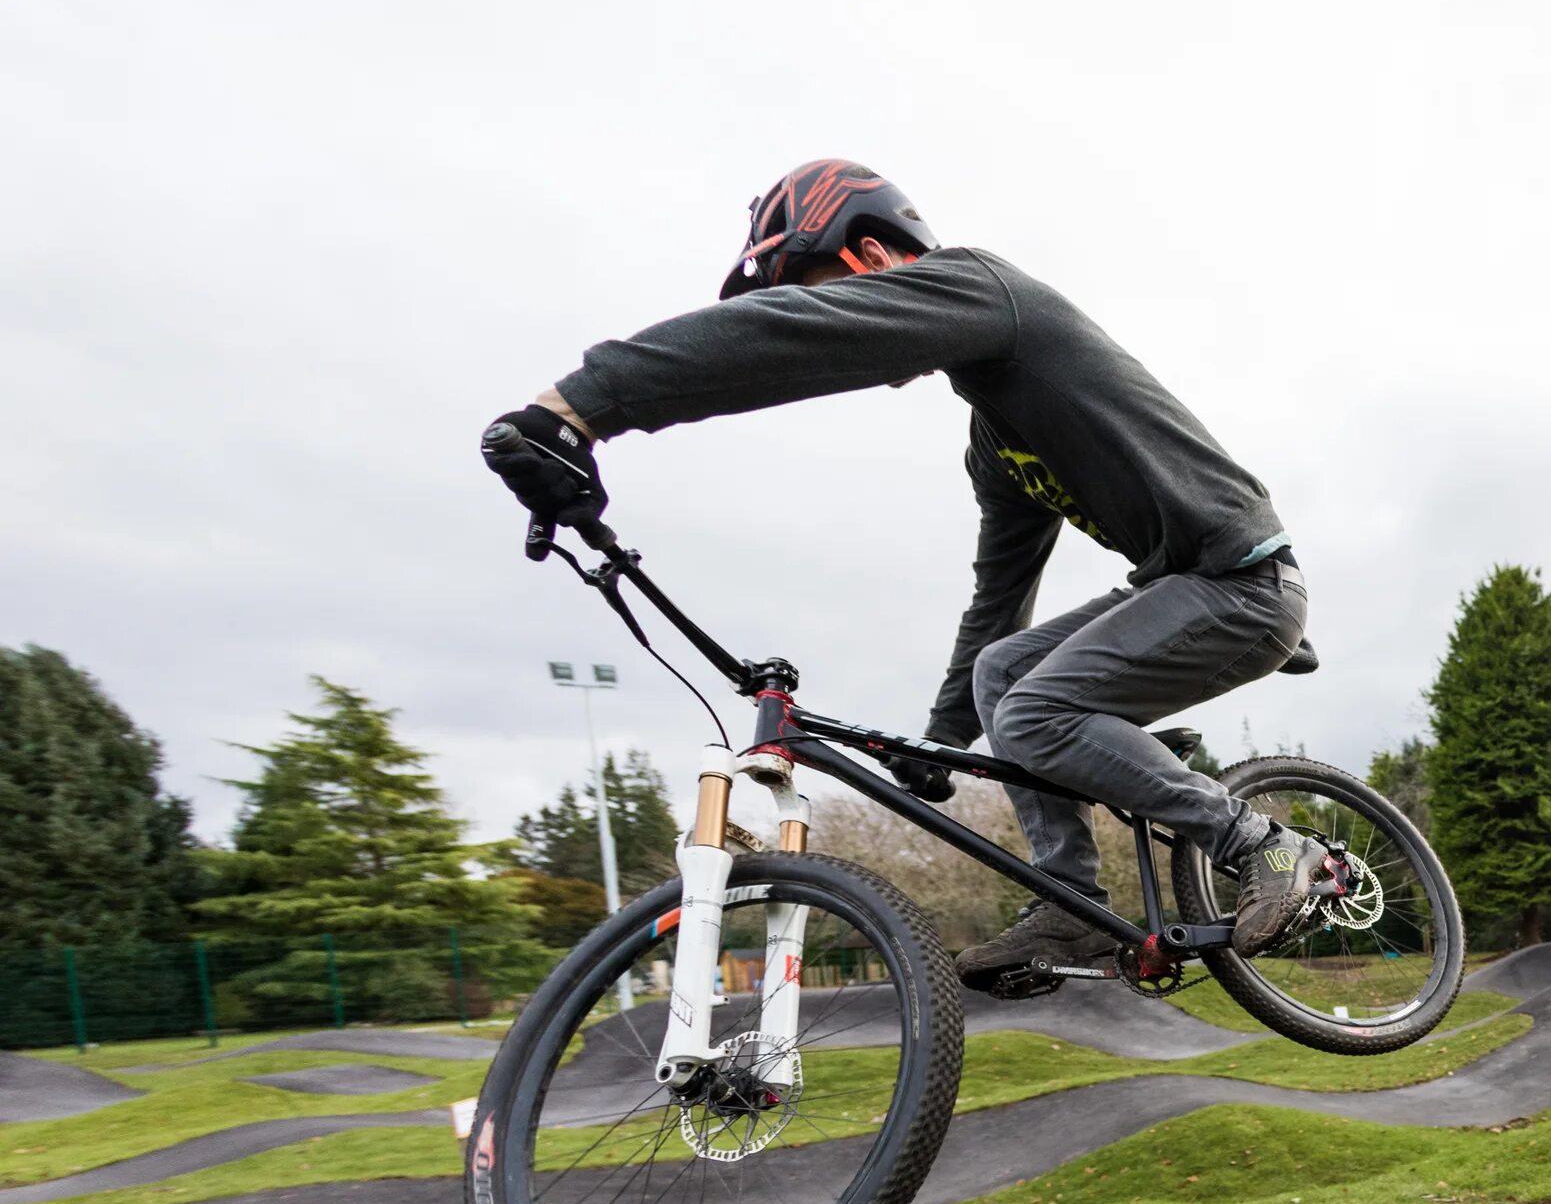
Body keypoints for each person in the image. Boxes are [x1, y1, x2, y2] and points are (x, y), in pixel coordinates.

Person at [479, 159, 1338, 998]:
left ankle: (1263, 846)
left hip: (1238, 579)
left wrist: (578, 407)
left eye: (821, 291)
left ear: (868, 255)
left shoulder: (985, 288)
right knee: (1004, 674)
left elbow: (791, 340)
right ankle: (1073, 904)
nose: (837, 315)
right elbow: (998, 600)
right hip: (1180, 589)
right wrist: (940, 740)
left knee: (1038, 711)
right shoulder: (997, 440)